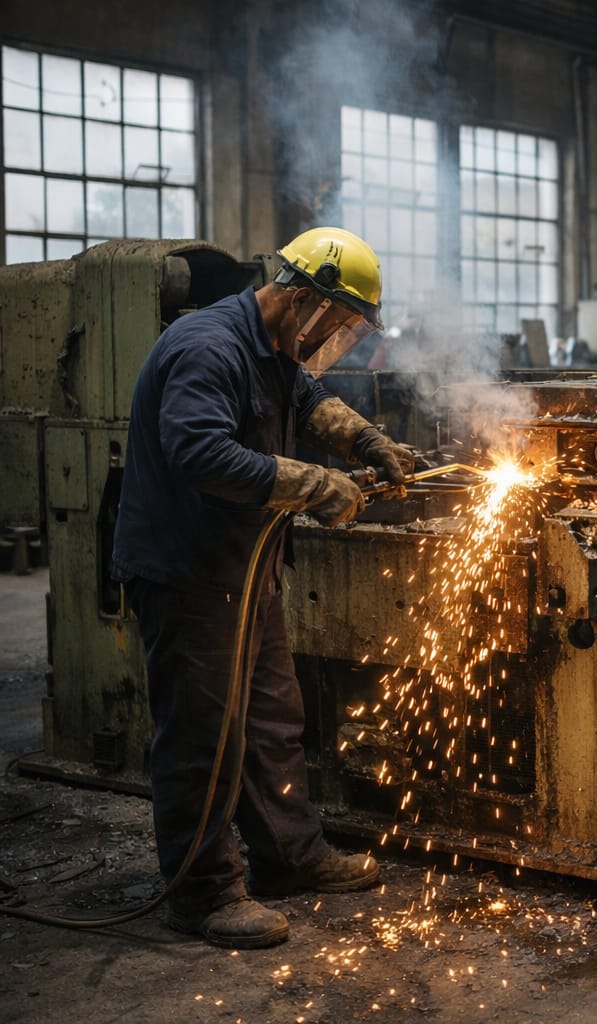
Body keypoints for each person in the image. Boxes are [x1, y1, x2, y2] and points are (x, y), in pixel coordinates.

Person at [111, 227, 415, 949]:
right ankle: (203, 893)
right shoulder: (207, 347)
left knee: (274, 721)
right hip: (188, 575)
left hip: (246, 571)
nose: (339, 340)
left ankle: (288, 857)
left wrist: (367, 442)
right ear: (307, 298)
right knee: (203, 737)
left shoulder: (276, 348)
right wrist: (314, 484)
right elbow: (198, 450)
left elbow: (308, 401)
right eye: (341, 325)